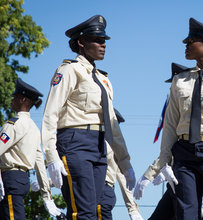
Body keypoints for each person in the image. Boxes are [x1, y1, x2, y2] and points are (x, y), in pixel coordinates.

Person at [135, 18, 203, 219]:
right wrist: (164, 162)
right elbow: (169, 126)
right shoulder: (180, 80)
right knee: (185, 214)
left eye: (191, 41)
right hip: (184, 154)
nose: (185, 45)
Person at [41, 15, 135, 219]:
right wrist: (51, 157)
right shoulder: (69, 70)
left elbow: (113, 126)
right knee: (83, 212)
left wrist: (125, 163)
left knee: (95, 211)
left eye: (104, 41)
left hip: (100, 146)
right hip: (74, 143)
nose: (103, 45)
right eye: (97, 40)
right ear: (81, 42)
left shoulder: (103, 79)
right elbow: (50, 114)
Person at [0, 78, 61, 219]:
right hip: (21, 180)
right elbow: (39, 163)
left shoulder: (14, 124)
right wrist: (46, 196)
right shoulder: (34, 128)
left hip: (9, 178)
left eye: (15, 97)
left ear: (22, 100)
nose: (12, 100)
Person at [99, 109, 143, 220]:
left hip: (104, 190)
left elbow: (123, 177)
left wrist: (132, 209)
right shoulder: (88, 140)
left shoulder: (112, 147)